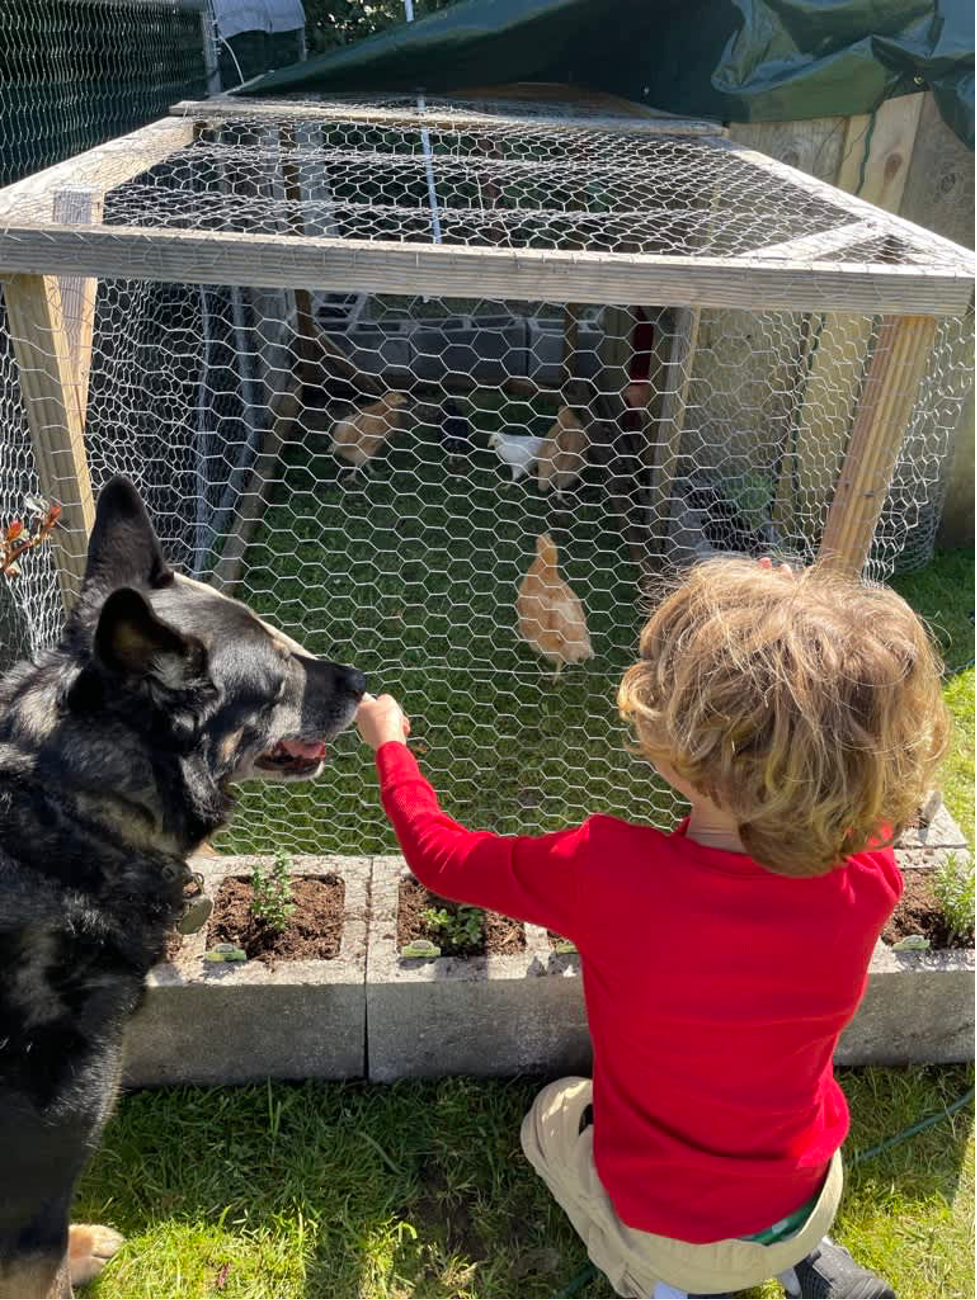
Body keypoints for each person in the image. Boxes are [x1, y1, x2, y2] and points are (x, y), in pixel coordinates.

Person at [355, 556, 948, 1300]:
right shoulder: (867, 876)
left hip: (674, 1235)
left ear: (686, 746)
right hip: (806, 1189)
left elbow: (442, 857)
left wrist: (389, 746)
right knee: (763, 1163)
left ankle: (659, 1285)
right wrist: (782, 618)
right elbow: (854, 779)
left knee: (553, 1115)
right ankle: (804, 1259)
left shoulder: (607, 873)